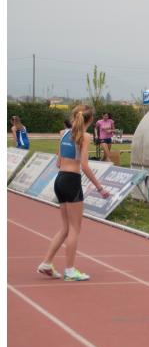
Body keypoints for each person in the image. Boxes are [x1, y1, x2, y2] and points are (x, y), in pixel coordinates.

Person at [37, 105, 110, 281]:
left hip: (60, 180)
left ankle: (46, 263)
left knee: (65, 228)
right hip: (71, 181)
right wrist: (100, 188)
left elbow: (58, 162)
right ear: (90, 120)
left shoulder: (63, 133)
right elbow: (84, 165)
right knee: (75, 229)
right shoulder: (85, 136)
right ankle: (70, 270)